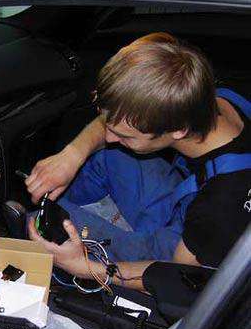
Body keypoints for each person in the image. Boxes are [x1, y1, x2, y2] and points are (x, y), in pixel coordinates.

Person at [26, 33, 250, 292]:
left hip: (180, 252)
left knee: (37, 225)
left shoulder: (221, 207)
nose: (109, 136)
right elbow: (115, 123)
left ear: (178, 129)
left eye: (125, 135)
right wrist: (72, 155)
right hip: (189, 199)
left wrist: (84, 267)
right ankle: (78, 217)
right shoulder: (218, 97)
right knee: (108, 154)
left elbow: (178, 279)